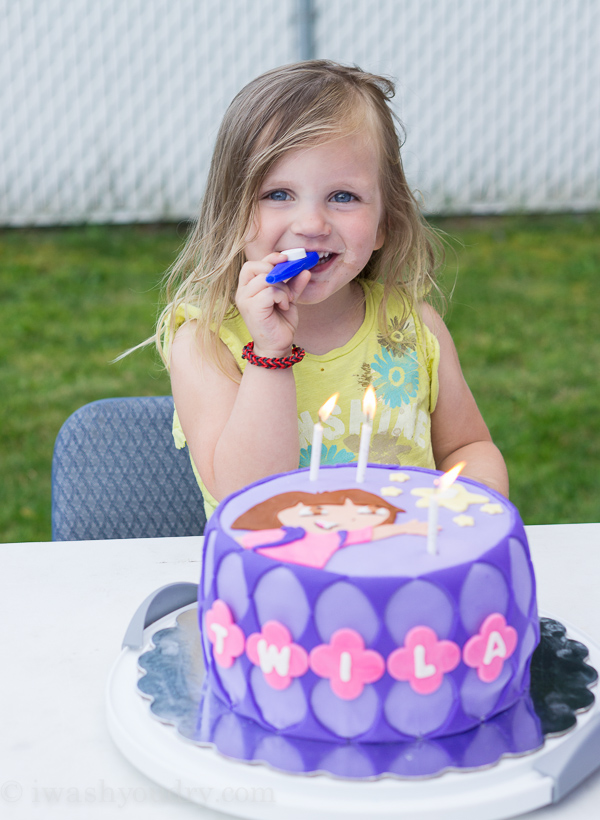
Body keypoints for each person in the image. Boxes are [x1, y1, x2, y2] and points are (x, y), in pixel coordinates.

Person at [160, 60, 508, 521]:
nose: (311, 225)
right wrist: (269, 352)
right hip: (279, 583)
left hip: (402, 573)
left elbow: (469, 445)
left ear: (385, 222)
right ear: (232, 214)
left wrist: (469, 506)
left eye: (343, 197)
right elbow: (250, 498)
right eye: (278, 194)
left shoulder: (410, 326)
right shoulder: (205, 342)